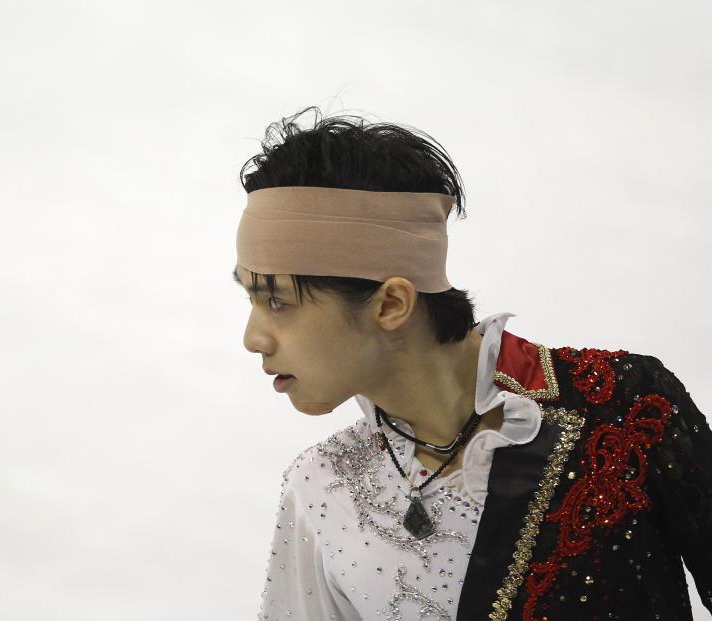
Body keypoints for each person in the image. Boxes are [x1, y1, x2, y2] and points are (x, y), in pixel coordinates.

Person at [233, 106, 711, 620]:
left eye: (277, 301)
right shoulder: (321, 489)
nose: (253, 338)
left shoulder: (625, 405)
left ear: (391, 304)